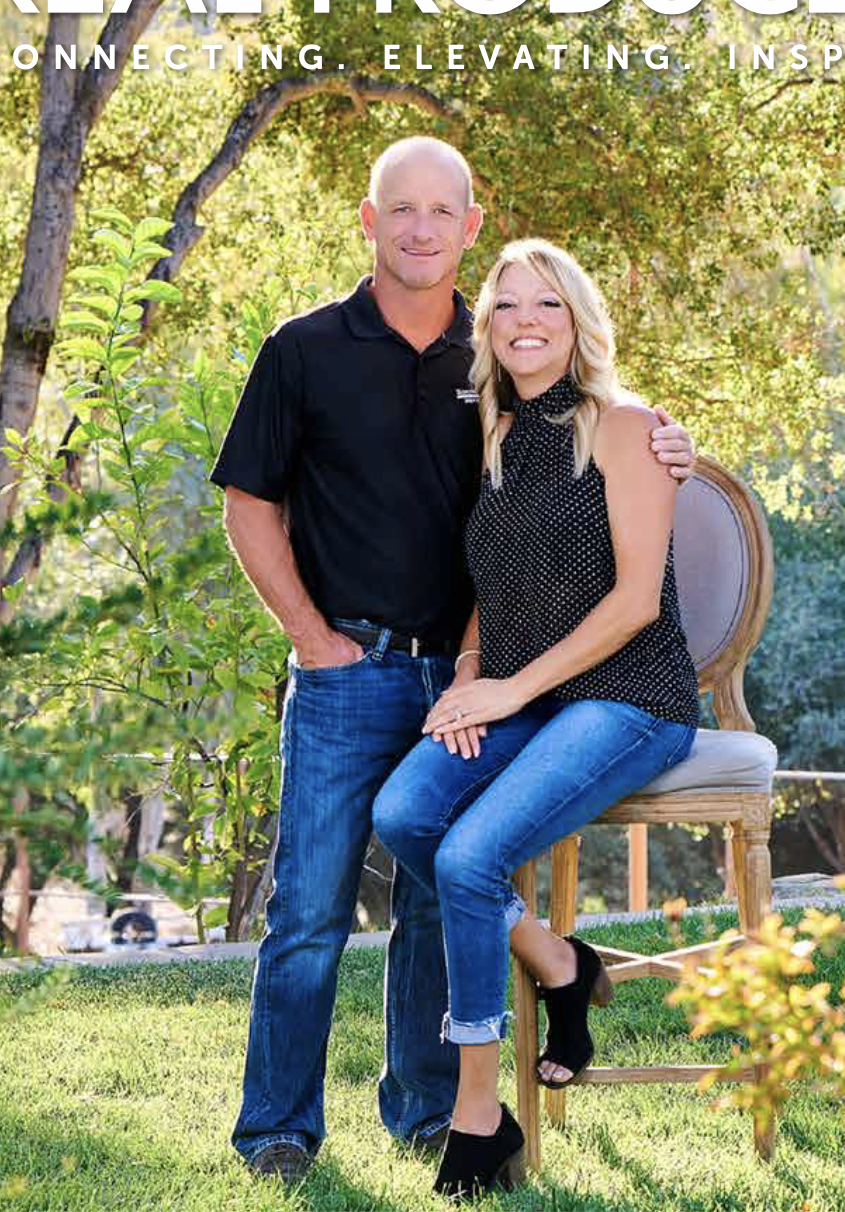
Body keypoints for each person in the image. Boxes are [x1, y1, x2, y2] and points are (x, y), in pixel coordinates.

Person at [208, 137, 696, 1184]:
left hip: (482, 678)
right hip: (355, 669)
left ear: (468, 225)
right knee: (306, 912)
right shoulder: (305, 350)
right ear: (369, 219)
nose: (422, 228)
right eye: (402, 209)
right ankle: (277, 1129)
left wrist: (669, 439)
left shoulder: (493, 362)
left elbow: (600, 435)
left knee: (440, 888)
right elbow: (249, 504)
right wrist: (313, 641)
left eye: (443, 211)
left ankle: (433, 1109)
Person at [372, 238, 704, 1200]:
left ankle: (480, 1117)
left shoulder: (626, 425)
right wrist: (474, 671)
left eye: (546, 306)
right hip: (523, 692)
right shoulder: (495, 434)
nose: (524, 321)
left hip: (630, 698)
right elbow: (494, 581)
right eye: (507, 307)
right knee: (404, 816)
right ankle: (560, 962)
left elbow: (637, 601)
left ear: (579, 323)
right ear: (489, 330)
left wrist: (509, 693)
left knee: (470, 860)